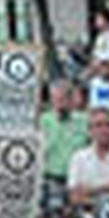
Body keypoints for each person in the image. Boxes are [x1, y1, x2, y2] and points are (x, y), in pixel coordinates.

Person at [40, 80, 90, 210]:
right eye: (56, 99)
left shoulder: (84, 121)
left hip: (77, 180)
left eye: (63, 99)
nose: (60, 104)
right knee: (54, 214)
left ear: (71, 100)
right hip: (51, 177)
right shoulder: (44, 121)